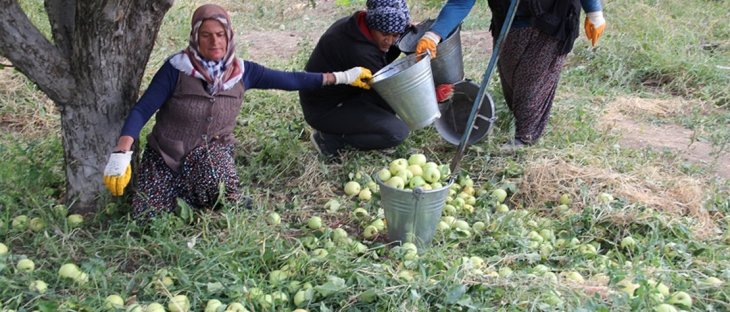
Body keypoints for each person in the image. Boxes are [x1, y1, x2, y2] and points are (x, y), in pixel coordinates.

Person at [102, 4, 372, 220]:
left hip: (211, 154)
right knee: (146, 217)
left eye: (220, 34)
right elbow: (143, 109)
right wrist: (122, 150)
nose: (214, 42)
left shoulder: (243, 72)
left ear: (229, 35)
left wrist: (342, 77)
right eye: (206, 35)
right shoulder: (177, 68)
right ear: (195, 36)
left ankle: (211, 195)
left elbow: (291, 80)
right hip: (166, 154)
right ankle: (183, 193)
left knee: (217, 183)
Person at [416, 0, 606, 151]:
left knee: (530, 83)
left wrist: (594, 11)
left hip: (552, 18)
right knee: (510, 80)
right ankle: (522, 116)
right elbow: (460, 2)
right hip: (509, 21)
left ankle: (525, 137)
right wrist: (434, 34)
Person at [299, 0, 411, 159]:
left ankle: (352, 126)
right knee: (397, 132)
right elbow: (392, 92)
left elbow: (389, 50)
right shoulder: (359, 51)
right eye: (385, 34)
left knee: (387, 109)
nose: (389, 40)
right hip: (324, 110)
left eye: (396, 35)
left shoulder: (356, 26)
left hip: (342, 93)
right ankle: (330, 140)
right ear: (373, 24)